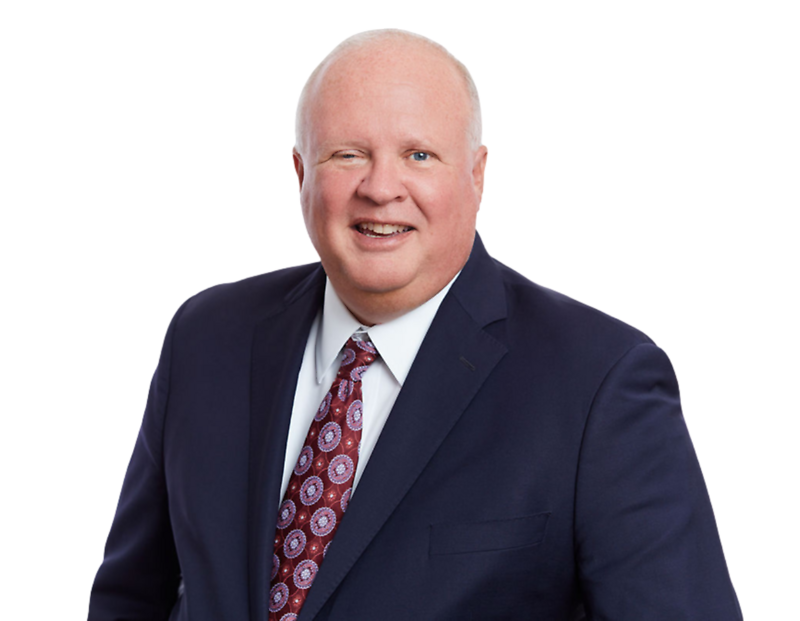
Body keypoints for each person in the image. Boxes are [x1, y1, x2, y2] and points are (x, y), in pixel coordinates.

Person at [87, 28, 743, 620]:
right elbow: (127, 597)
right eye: (348, 154)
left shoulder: (601, 380)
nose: (380, 188)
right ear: (299, 174)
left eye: (419, 155)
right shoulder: (204, 337)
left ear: (478, 177)